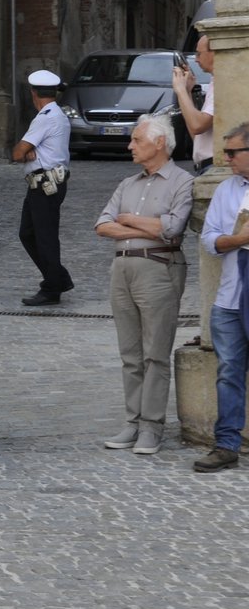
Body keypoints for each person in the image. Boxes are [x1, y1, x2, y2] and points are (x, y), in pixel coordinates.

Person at [93, 115, 193, 456]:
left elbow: (174, 227)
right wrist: (147, 226)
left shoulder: (181, 181)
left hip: (159, 267)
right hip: (121, 268)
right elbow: (103, 226)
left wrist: (130, 219)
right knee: (130, 354)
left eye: (137, 140)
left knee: (155, 353)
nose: (130, 145)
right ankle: (132, 422)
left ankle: (152, 426)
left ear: (159, 143)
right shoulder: (127, 183)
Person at [193, 122, 249, 472]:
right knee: (228, 372)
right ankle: (226, 444)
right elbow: (209, 239)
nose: (226, 158)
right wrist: (238, 240)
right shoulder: (227, 190)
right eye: (225, 152)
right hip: (230, 298)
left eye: (232, 152)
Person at [15, 69, 74, 305]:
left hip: (45, 184)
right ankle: (58, 278)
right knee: (29, 233)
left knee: (44, 237)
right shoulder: (55, 114)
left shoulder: (46, 117)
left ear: (33, 93)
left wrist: (29, 150)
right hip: (45, 182)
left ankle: (52, 287)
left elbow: (18, 152)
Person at [171, 33, 215, 174]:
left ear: (214, 53)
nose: (195, 59)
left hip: (212, 166)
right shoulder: (215, 82)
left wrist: (180, 90)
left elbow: (197, 126)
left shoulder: (222, 83)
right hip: (205, 165)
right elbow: (198, 137)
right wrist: (187, 92)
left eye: (199, 53)